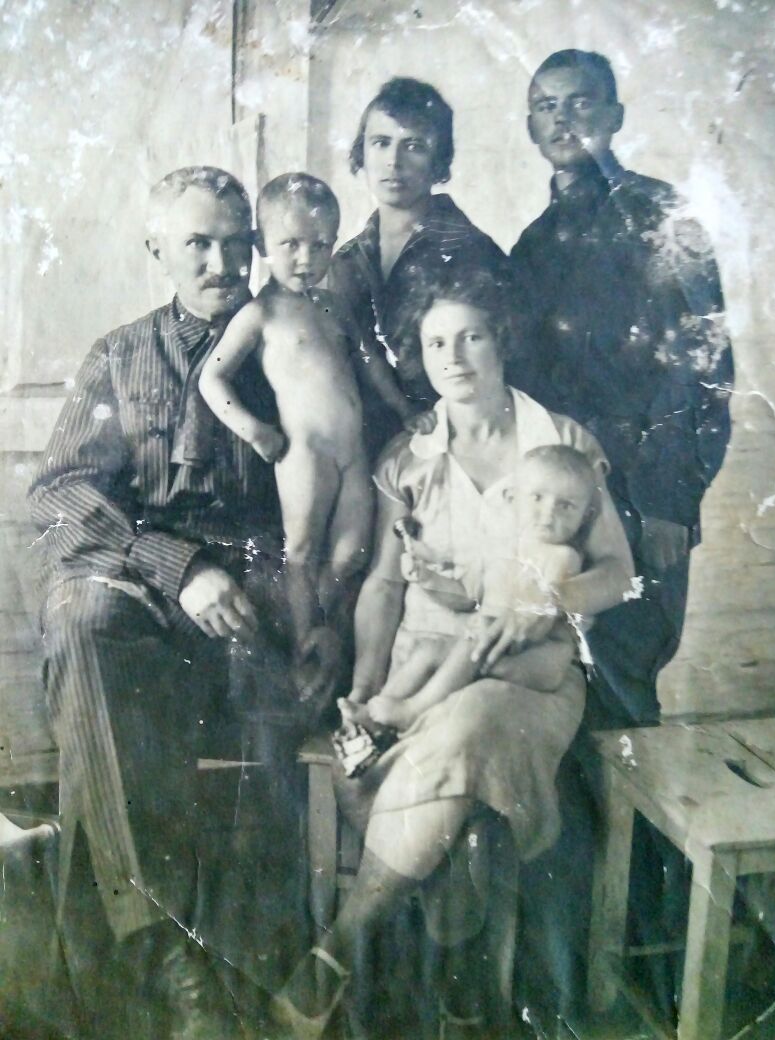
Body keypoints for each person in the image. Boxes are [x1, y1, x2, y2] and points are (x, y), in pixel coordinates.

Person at [269, 267, 634, 1039]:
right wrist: (364, 691)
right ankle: (464, 988)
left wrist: (545, 603)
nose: (455, 357)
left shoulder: (561, 444)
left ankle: (341, 946)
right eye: (437, 343)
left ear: (502, 342)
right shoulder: (409, 456)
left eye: (472, 337)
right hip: (422, 665)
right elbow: (383, 586)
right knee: (455, 784)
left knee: (470, 727)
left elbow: (618, 574)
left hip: (529, 675)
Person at [27, 167, 327, 1038]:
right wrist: (177, 565)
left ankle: (249, 965)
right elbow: (61, 491)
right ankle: (163, 948)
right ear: (157, 247)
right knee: (84, 621)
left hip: (257, 593)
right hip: (147, 588)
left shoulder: (290, 344)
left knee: (266, 726)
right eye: (198, 243)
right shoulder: (119, 356)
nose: (222, 262)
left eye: (238, 243)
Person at [507, 49, 734, 727]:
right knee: (555, 686)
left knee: (625, 684)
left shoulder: (660, 214)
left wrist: (669, 501)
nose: (562, 119)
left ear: (615, 116)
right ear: (530, 126)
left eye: (579, 102)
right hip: (562, 502)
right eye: (546, 106)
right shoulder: (533, 245)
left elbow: (702, 365)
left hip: (645, 496)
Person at [199, 173, 425, 680]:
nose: (307, 258)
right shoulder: (259, 314)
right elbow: (212, 378)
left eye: (321, 245)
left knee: (350, 555)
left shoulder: (334, 306)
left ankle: (328, 643)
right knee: (300, 552)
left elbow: (370, 363)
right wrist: (254, 430)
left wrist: (404, 408)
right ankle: (305, 643)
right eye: (291, 245)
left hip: (352, 451)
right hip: (304, 451)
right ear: (261, 245)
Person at [339, 444, 597, 740]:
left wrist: (490, 625)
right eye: (537, 498)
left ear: (585, 516)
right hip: (486, 647)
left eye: (566, 506)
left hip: (539, 658)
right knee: (428, 650)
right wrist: (427, 577)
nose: (548, 513)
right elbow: (466, 596)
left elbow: (538, 616)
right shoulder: (500, 553)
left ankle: (412, 710)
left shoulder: (563, 557)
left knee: (470, 645)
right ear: (512, 498)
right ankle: (372, 713)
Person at [329, 76, 508, 460]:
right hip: (366, 447)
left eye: (414, 146)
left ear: (439, 160)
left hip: (455, 447)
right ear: (362, 152)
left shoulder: (470, 250)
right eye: (381, 143)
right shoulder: (345, 259)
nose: (393, 162)